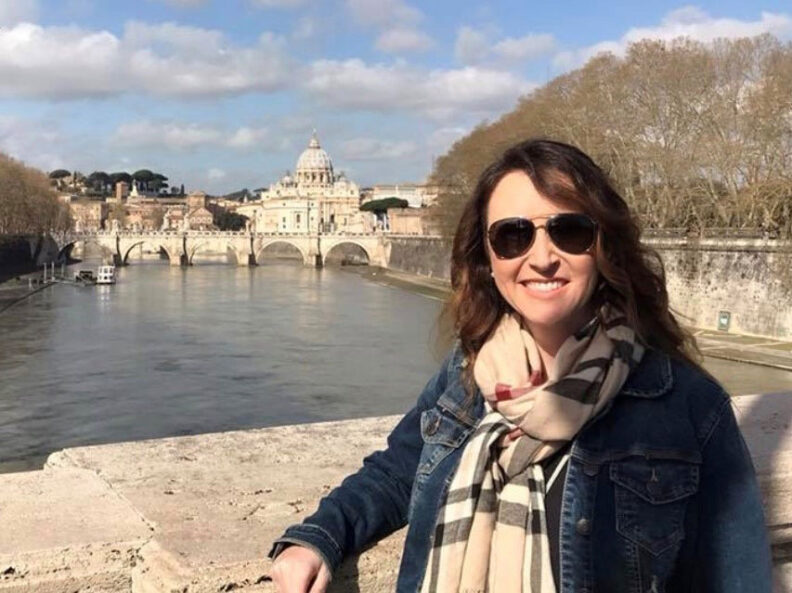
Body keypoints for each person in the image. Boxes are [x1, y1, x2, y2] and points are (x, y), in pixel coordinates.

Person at [269, 139, 772, 593]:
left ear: (604, 246)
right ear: (487, 257)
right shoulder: (466, 374)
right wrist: (319, 537)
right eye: (513, 236)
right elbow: (398, 472)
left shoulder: (689, 407)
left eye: (570, 231)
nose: (542, 257)